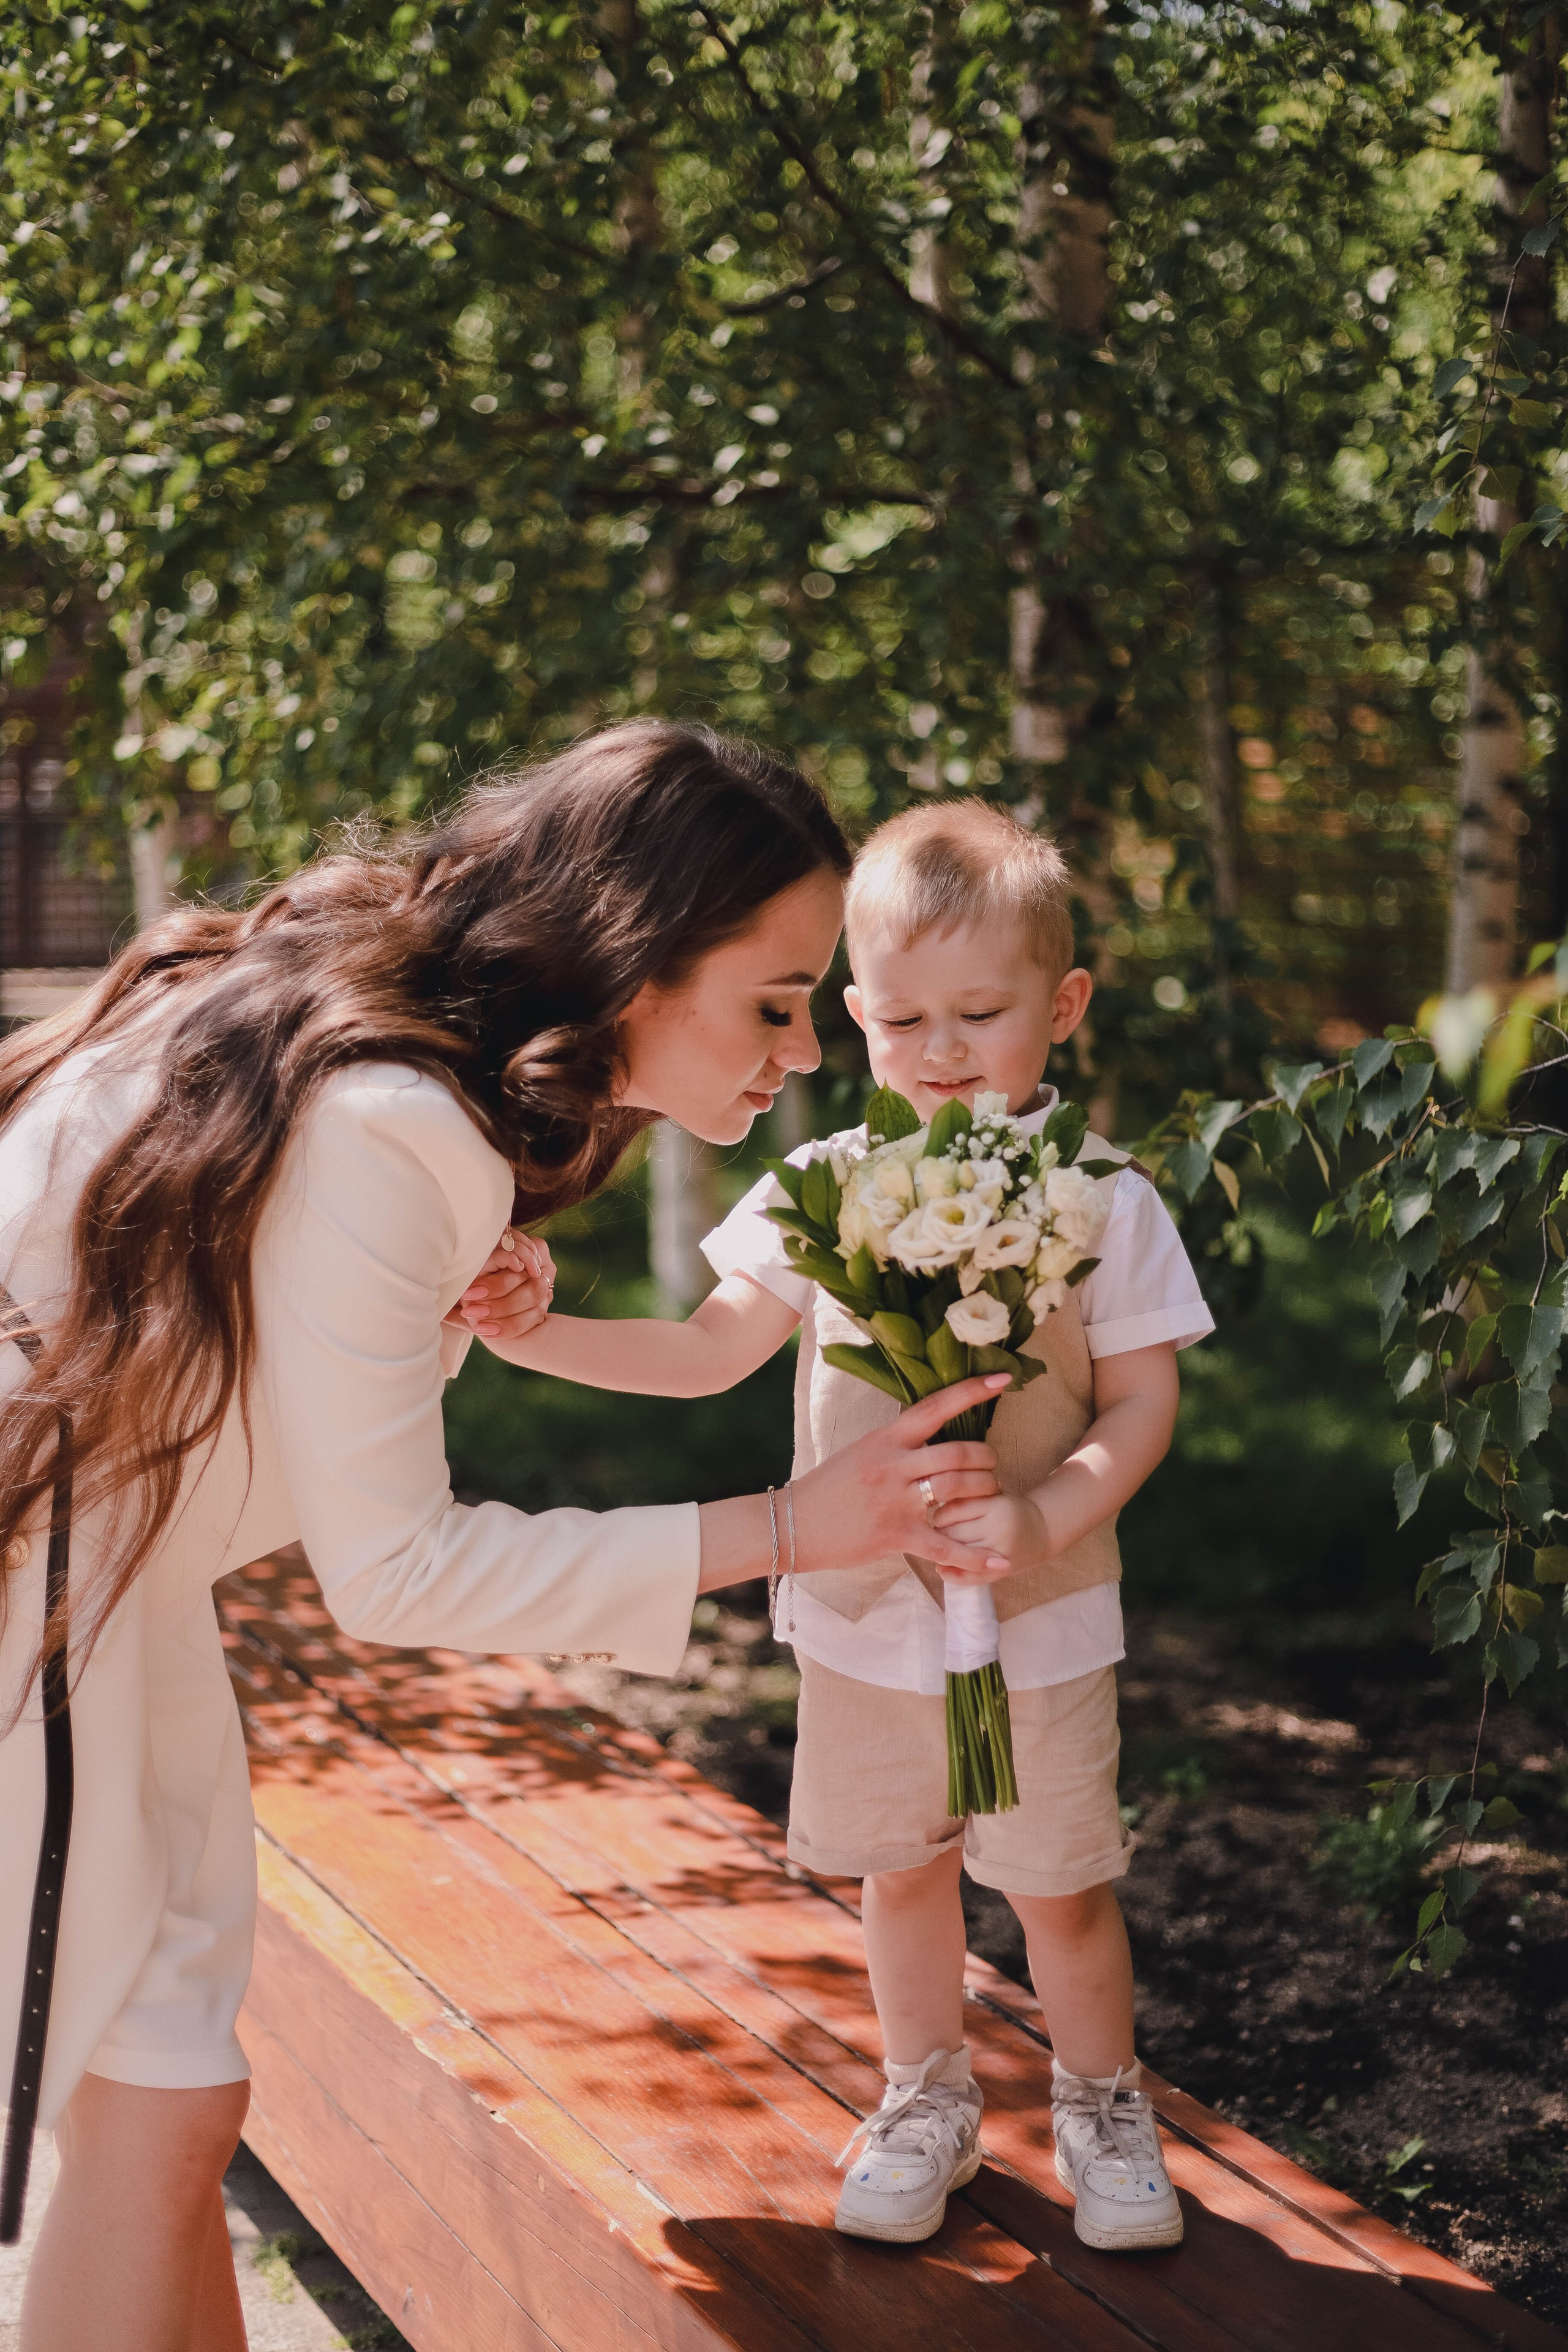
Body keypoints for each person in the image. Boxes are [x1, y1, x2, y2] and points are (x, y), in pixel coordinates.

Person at [0, 723, 1012, 2352]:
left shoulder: (399, 1081)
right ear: (635, 955)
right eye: (774, 1000)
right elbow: (394, 1572)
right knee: (123, 2100)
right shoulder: (396, 1122)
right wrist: (788, 1528)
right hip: (31, 1597)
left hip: (112, 1583)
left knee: (168, 2101)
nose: (809, 1051)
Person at [459, 797, 1215, 2253]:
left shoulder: (1102, 1197)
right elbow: (704, 1352)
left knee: (1058, 1885)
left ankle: (1100, 2099)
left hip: (1041, 1613)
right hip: (867, 1624)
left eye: (980, 1016)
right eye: (902, 1022)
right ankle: (922, 2094)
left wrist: (1048, 1507)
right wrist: (535, 1339)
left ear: (1060, 1008)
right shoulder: (821, 1189)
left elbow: (1137, 1403)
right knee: (900, 1872)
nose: (939, 1055)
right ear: (856, 1014)